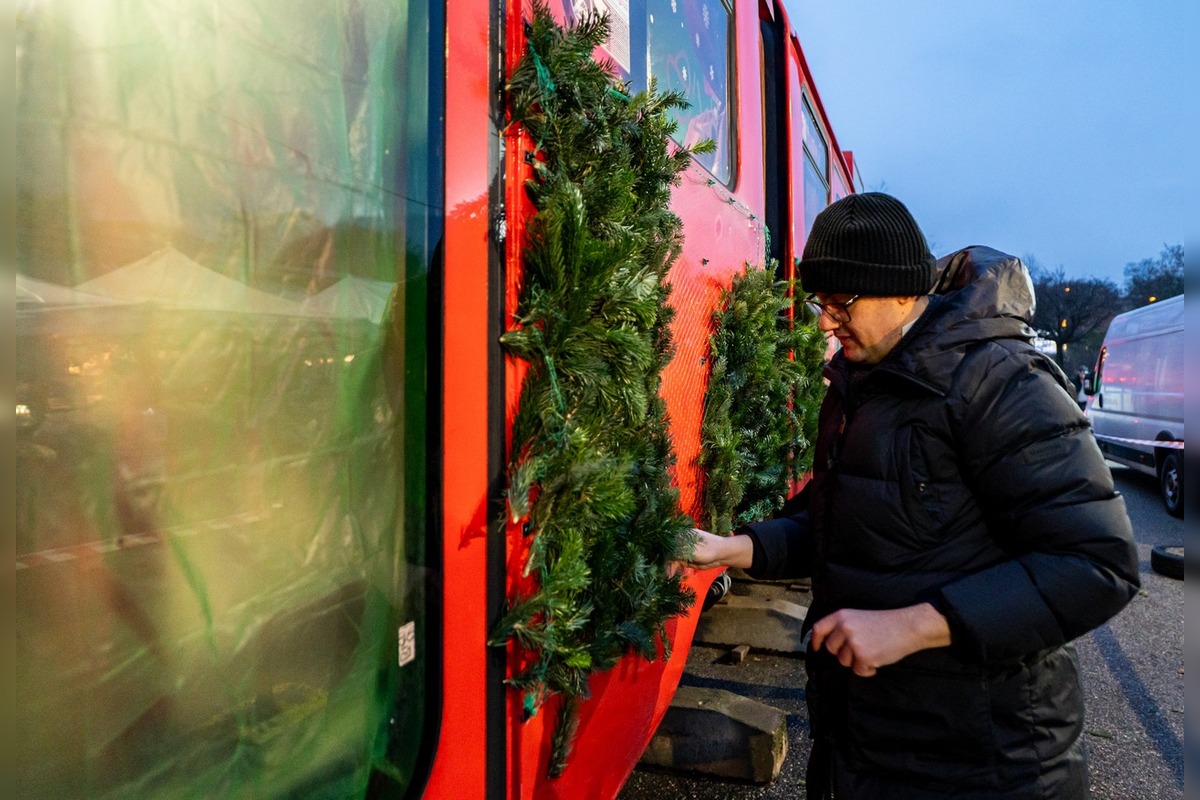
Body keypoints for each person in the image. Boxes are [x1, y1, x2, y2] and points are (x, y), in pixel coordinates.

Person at [683, 193, 1140, 799]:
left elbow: (1098, 563)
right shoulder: (862, 381)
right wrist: (731, 549)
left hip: (984, 764)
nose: (824, 321)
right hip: (868, 743)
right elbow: (844, 520)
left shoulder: (1000, 383)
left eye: (841, 302)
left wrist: (917, 625)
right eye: (819, 302)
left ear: (903, 291)